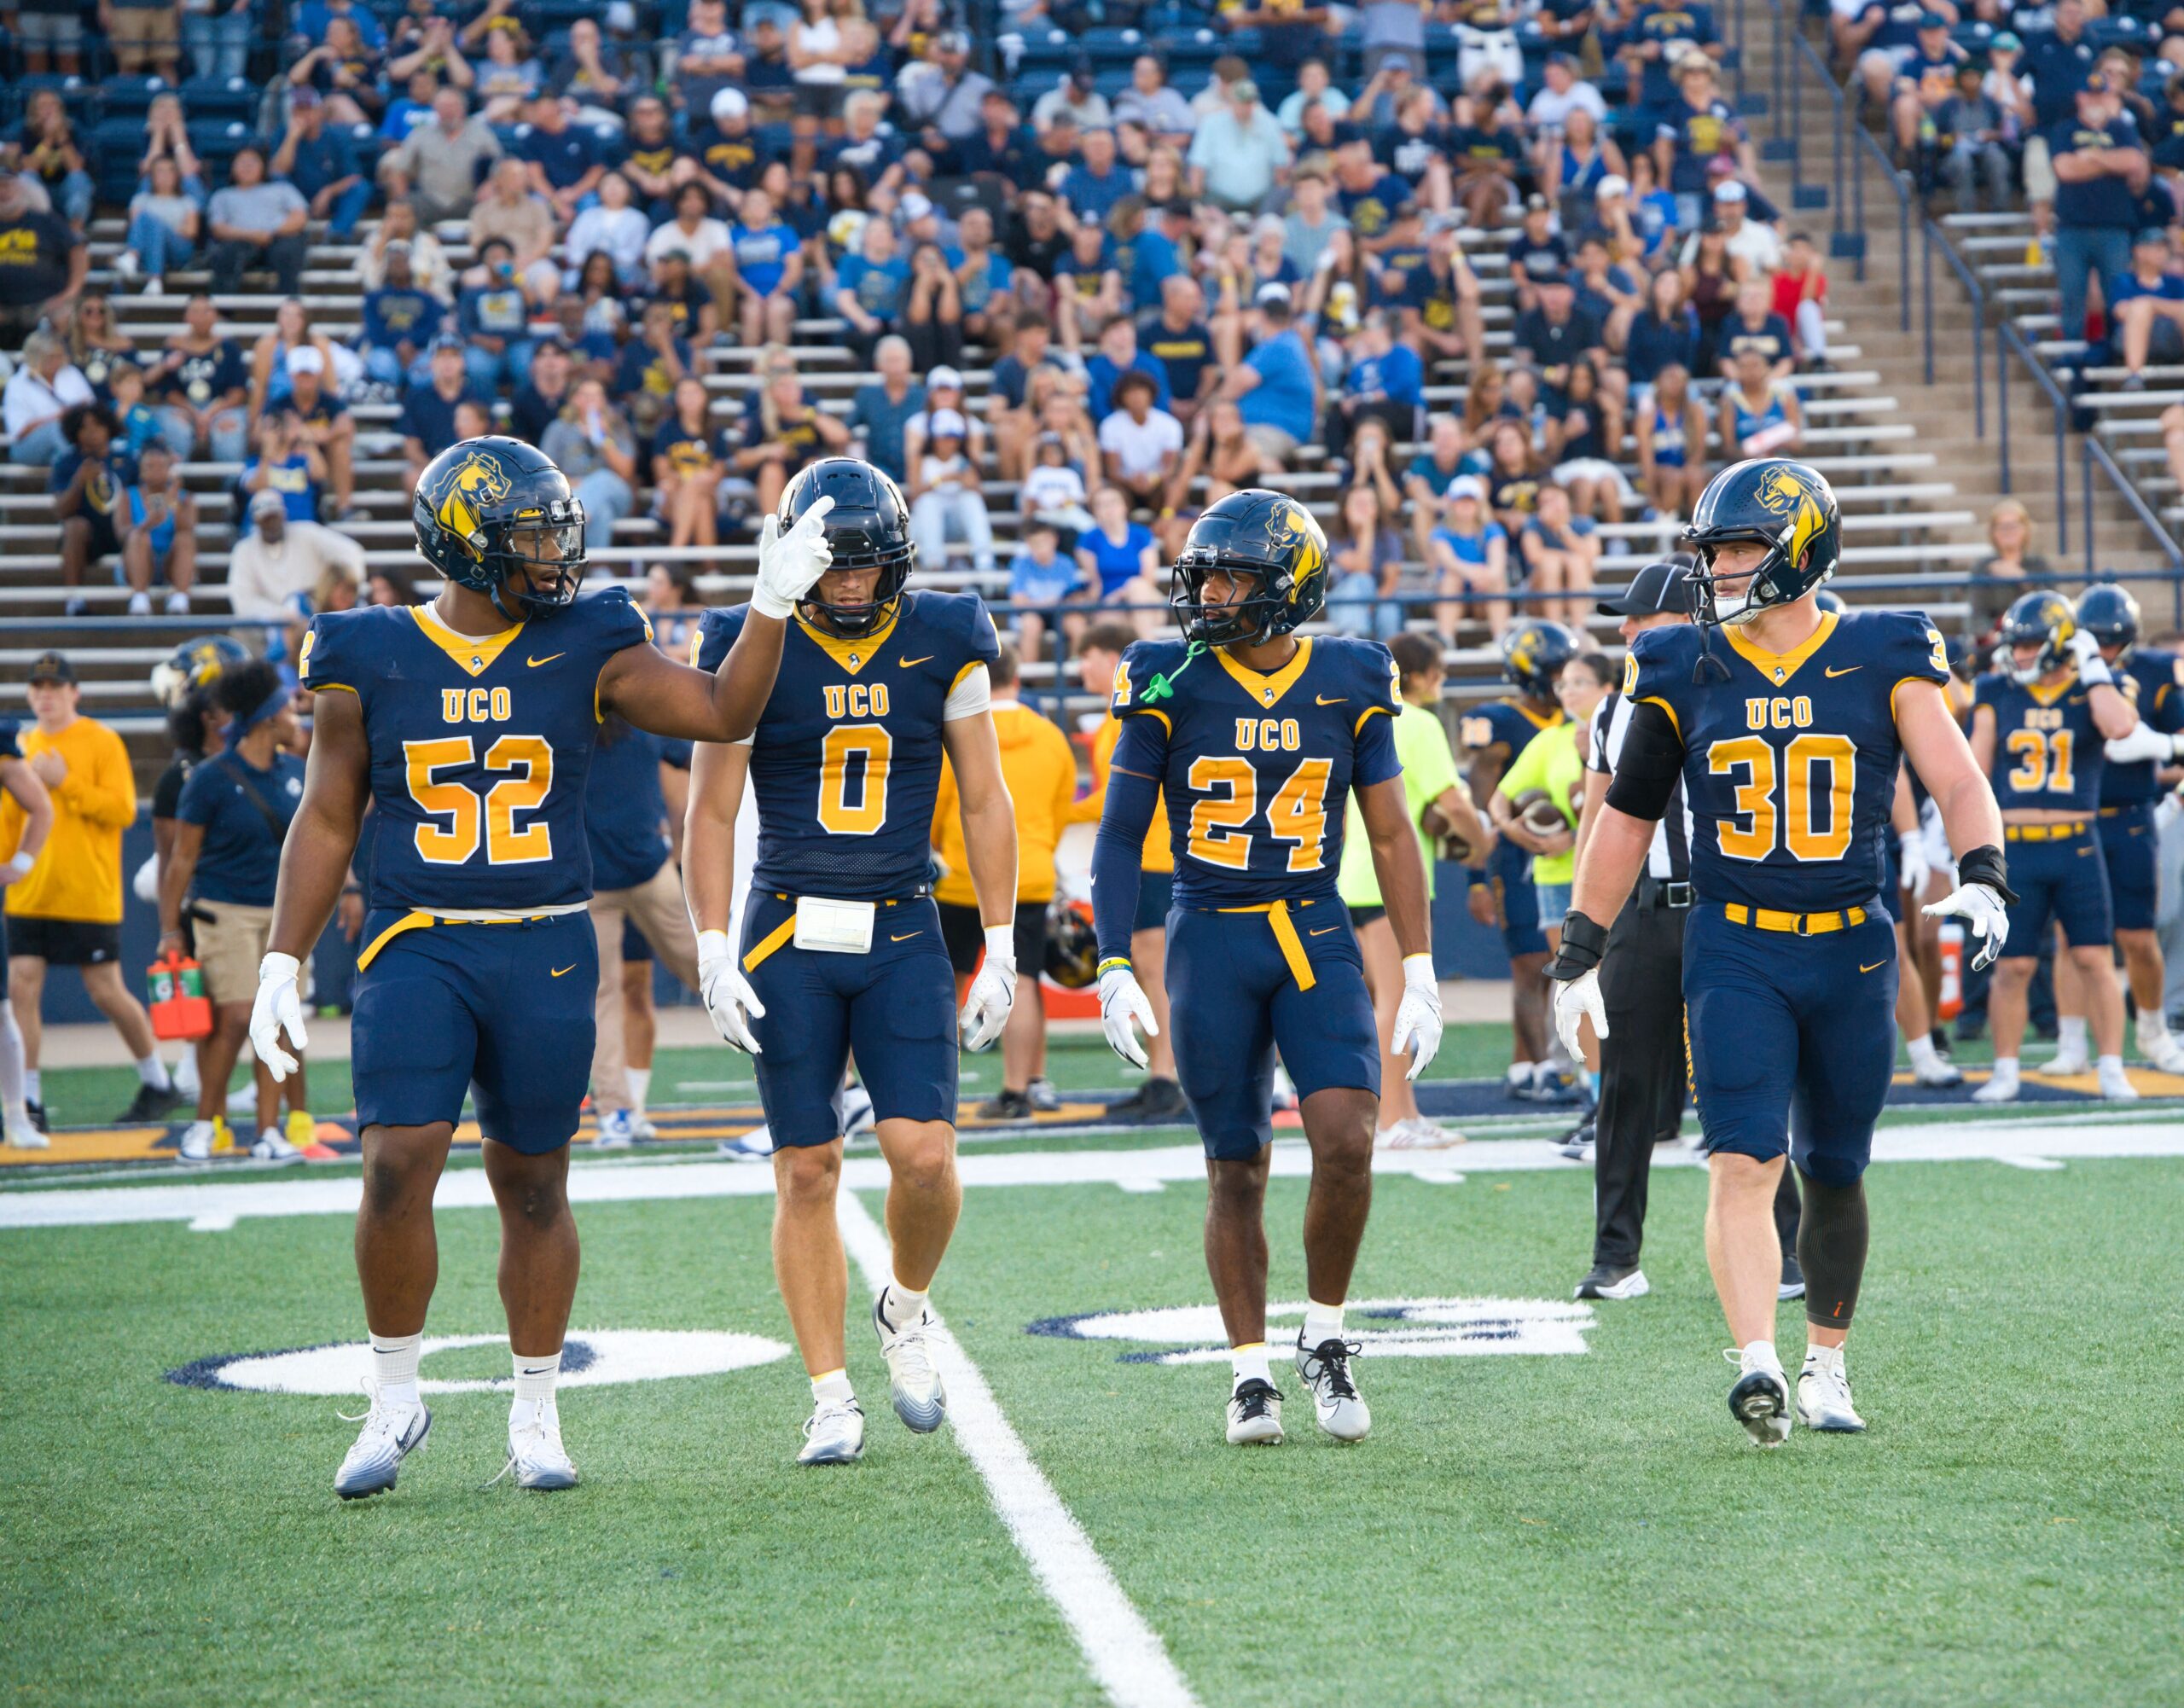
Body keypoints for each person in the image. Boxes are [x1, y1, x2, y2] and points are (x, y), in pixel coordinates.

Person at [252, 434, 834, 1499]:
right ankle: (394, 1399)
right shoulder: (364, 651)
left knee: (532, 1183)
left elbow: (721, 711)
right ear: (464, 547)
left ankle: (534, 1410)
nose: (556, 558)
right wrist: (282, 957)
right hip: (415, 936)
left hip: (548, 942)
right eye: (531, 537)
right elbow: (329, 812)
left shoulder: (591, 638)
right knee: (396, 1161)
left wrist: (770, 605)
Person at [1549, 457, 2013, 1444]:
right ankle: (1756, 1359)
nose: (1717, 569)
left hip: (1849, 948)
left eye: (1737, 548)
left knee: (1835, 1166)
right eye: (1712, 551)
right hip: (1735, 947)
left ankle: (1826, 1364)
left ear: (1797, 547)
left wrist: (1982, 871)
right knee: (1742, 1157)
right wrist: (1580, 946)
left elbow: (1957, 779)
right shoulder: (1680, 659)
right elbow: (1625, 817)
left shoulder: (1884, 649)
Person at [682, 457, 1020, 1467]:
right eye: (833, 566)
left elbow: (984, 794)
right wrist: (709, 941)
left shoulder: (946, 634)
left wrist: (1000, 942)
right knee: (807, 1166)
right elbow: (709, 805)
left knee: (924, 1156)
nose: (851, 585)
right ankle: (829, 1393)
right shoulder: (749, 639)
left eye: (869, 567)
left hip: (904, 921)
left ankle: (904, 1310)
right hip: (787, 926)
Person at [1091, 489, 1442, 1446]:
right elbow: (1122, 833)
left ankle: (1324, 1338)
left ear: (1287, 586)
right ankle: (1249, 1373)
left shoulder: (1353, 676)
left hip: (1311, 929)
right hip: (1210, 933)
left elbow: (1390, 830)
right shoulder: (1168, 676)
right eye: (1201, 573)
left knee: (1346, 1140)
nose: (1207, 592)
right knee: (1235, 1166)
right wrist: (1113, 959)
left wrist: (1419, 963)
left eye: (1230, 574)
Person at [1966, 590, 2147, 1105]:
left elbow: (2120, 727)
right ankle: (2005, 1069)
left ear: (2058, 644)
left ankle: (2110, 1066)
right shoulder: (1996, 688)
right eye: (2015, 644)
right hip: (2017, 845)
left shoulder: (2090, 686)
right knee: (2013, 965)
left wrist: (2091, 665)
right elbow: (1975, 768)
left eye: (2028, 645)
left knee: (2093, 956)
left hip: (2077, 845)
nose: (2018, 654)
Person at [4, 651, 178, 1128]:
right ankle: (28, 1100)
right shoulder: (19, 745)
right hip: (30, 891)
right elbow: (11, 821)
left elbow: (122, 811)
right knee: (22, 986)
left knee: (106, 992)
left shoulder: (100, 741)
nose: (46, 696)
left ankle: (157, 1080)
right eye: (38, 688)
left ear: (74, 692)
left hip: (88, 891)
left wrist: (66, 782)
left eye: (55, 687)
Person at [1338, 631, 1487, 1148]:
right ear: (1419, 675)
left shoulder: (1363, 716)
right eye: (1438, 670)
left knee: (1381, 999)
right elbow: (1456, 804)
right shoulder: (1417, 723)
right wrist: (1481, 844)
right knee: (1398, 1001)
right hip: (1390, 881)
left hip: (1352, 873)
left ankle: (1404, 1114)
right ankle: (1393, 1120)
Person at [160, 661, 311, 1164]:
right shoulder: (210, 778)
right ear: (268, 717)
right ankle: (206, 1123)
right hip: (223, 911)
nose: (296, 716)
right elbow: (181, 859)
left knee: (277, 1020)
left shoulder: (295, 772)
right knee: (235, 1018)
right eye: (288, 708)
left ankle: (268, 1131)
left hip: (285, 917)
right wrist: (168, 931)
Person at [932, 642, 1074, 1118]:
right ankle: (1020, 1088)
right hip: (1026, 873)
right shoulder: (1050, 736)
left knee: (945, 984)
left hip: (961, 871)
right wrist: (1038, 854)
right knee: (1025, 981)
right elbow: (1060, 809)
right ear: (1018, 676)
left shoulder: (959, 729)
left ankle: (931, 1090)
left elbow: (939, 804)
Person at [2048, 585, 2184, 1074]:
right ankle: (2070, 1043)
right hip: (2075, 818)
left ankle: (2152, 1030)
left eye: (2111, 639)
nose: (2102, 648)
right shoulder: (2064, 669)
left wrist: (2161, 748)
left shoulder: (2156, 670)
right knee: (2071, 938)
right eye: (2095, 638)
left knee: (2138, 937)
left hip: (2130, 817)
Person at [1463, 619, 1579, 1101]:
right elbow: (1479, 809)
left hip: (1568, 855)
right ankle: (1537, 1066)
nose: (1560, 678)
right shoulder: (1496, 720)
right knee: (1531, 965)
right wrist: (1476, 876)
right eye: (1553, 669)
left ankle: (1527, 1063)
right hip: (1513, 857)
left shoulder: (1575, 718)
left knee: (1558, 960)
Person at [583, 716, 700, 1147]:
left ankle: (617, 1113)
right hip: (604, 881)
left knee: (711, 972)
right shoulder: (629, 714)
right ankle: (617, 1110)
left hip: (643, 871)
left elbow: (696, 753)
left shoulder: (645, 716)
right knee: (604, 996)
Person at [227, 489, 367, 621]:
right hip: (271, 623)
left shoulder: (306, 532)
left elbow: (351, 552)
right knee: (243, 630)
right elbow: (243, 602)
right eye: (266, 519)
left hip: (315, 609)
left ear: (283, 515)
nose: (271, 524)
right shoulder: (244, 550)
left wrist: (345, 586)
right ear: (256, 521)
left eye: (274, 517)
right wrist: (284, 615)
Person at [206, 148, 311, 297]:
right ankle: (222, 314)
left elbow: (300, 218)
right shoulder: (222, 196)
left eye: (253, 162)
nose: (247, 166)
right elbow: (218, 228)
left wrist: (270, 232)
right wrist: (253, 235)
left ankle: (290, 309)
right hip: (239, 241)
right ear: (232, 168)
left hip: (279, 238)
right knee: (226, 254)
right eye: (242, 162)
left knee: (289, 251)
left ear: (263, 166)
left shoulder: (282, 189)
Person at [119, 441, 196, 616]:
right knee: (138, 536)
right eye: (150, 466)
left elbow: (188, 530)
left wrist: (173, 502)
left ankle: (180, 597)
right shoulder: (128, 495)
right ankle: (139, 596)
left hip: (170, 563)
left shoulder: (184, 498)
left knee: (184, 539)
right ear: (141, 470)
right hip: (136, 563)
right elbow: (121, 534)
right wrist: (147, 524)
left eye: (161, 466)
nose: (156, 471)